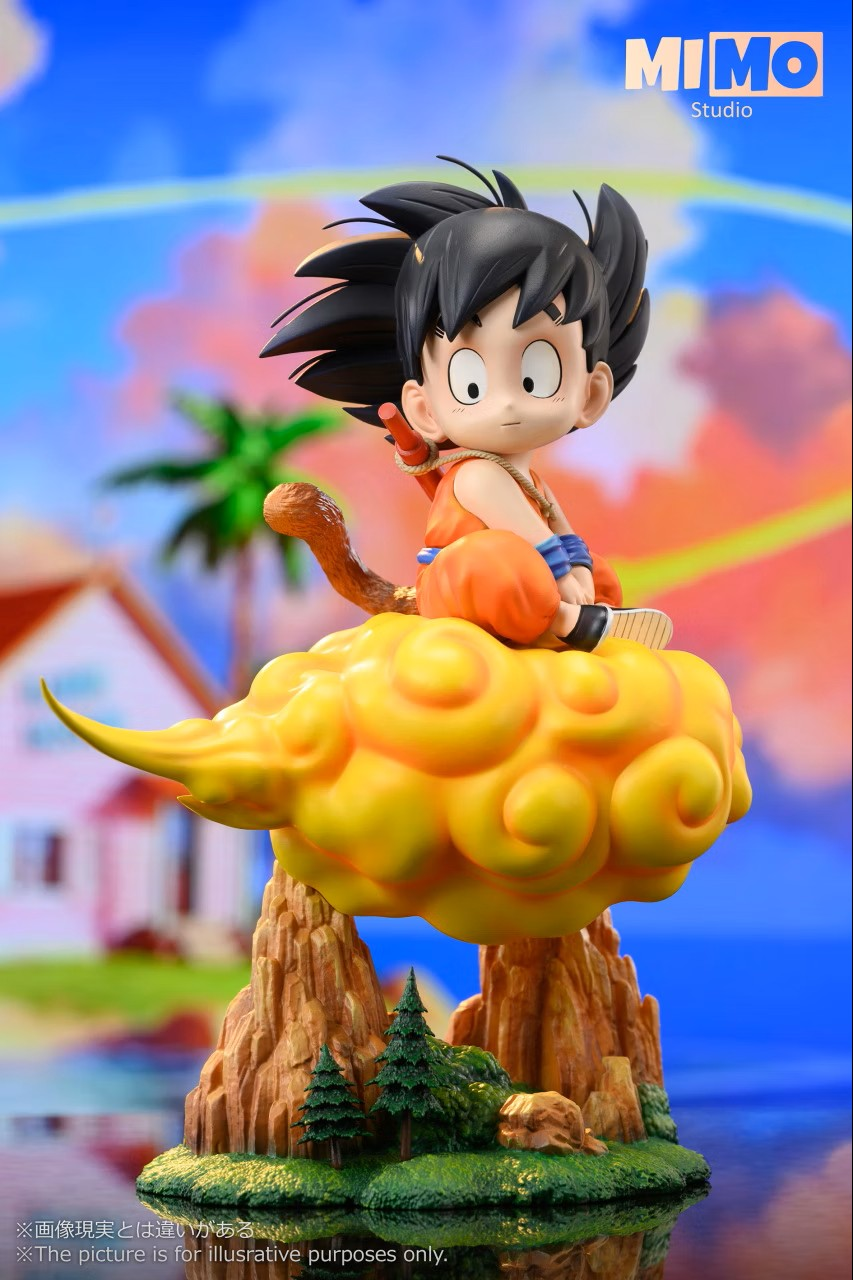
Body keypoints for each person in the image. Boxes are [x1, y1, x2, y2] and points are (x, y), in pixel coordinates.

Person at [261, 157, 672, 652]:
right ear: (424, 409)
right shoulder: (478, 475)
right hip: (459, 584)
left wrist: (582, 571)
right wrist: (565, 583)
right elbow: (536, 541)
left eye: (536, 375)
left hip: (528, 585)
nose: (507, 402)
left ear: (591, 393)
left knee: (598, 572)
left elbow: (560, 533)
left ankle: (574, 619)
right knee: (500, 563)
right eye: (471, 382)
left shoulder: (528, 481)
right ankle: (568, 622)